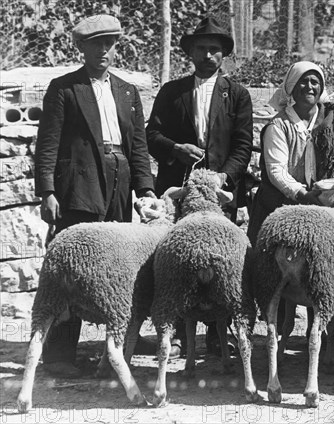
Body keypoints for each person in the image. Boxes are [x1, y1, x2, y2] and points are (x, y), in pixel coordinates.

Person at [34, 14, 156, 377]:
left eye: (110, 43)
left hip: (118, 182)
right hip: (79, 185)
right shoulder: (64, 88)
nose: (104, 50)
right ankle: (58, 354)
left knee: (114, 268)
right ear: (82, 48)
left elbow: (138, 147)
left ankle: (112, 352)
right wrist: (48, 191)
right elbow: (48, 144)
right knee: (71, 265)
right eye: (96, 44)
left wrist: (145, 190)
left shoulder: (127, 91)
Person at [146, 16, 253, 357]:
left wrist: (225, 177)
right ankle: (176, 331)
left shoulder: (236, 95)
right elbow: (151, 136)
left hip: (217, 193)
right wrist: (175, 149)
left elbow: (243, 144)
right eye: (202, 49)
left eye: (215, 50)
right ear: (190, 53)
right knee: (176, 258)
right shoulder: (171, 92)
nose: (209, 56)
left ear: (224, 55)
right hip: (180, 189)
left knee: (221, 259)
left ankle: (220, 333)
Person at [246, 61, 334, 246]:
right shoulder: (279, 125)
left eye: (315, 82)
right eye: (303, 81)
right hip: (280, 204)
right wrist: (302, 195)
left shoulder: (332, 123)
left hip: (322, 203)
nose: (309, 87)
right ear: (291, 87)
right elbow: (276, 170)